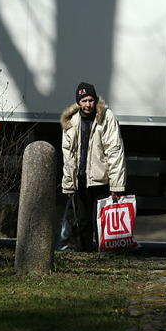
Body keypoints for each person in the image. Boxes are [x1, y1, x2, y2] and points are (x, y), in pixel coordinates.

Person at [60, 82, 126, 252]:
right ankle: (84, 254)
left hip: (101, 179)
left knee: (101, 221)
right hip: (81, 180)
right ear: (78, 102)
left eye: (90, 100)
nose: (88, 104)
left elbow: (115, 150)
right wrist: (68, 184)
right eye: (84, 101)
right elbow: (68, 155)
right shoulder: (71, 121)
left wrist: (116, 185)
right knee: (82, 221)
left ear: (95, 100)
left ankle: (103, 253)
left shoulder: (106, 117)